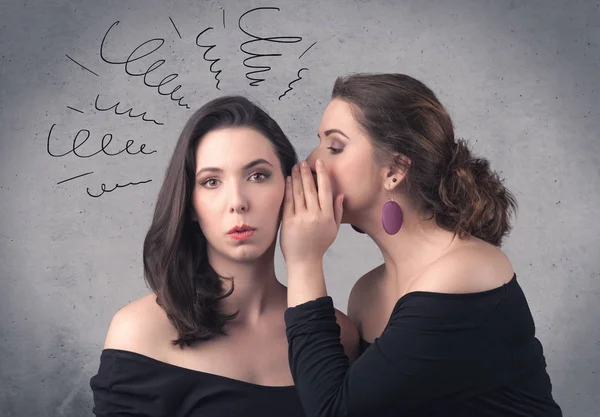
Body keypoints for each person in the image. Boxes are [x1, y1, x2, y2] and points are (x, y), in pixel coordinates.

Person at [280, 73, 563, 416]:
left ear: (395, 171)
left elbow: (333, 412)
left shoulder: (463, 272)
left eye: (335, 147)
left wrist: (302, 261)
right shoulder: (367, 292)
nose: (311, 163)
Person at [90, 96, 358, 417]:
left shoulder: (338, 333)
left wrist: (306, 260)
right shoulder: (140, 330)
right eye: (211, 182)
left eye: (257, 175)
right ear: (190, 204)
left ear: (291, 189)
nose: (237, 201)